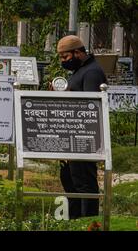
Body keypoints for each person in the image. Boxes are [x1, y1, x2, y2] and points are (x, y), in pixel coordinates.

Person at [57, 35, 107, 219]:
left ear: (77, 52)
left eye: (65, 57)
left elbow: (89, 106)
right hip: (72, 138)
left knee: (84, 182)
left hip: (83, 139)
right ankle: (75, 219)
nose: (63, 61)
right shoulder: (80, 70)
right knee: (70, 180)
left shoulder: (92, 72)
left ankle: (89, 220)